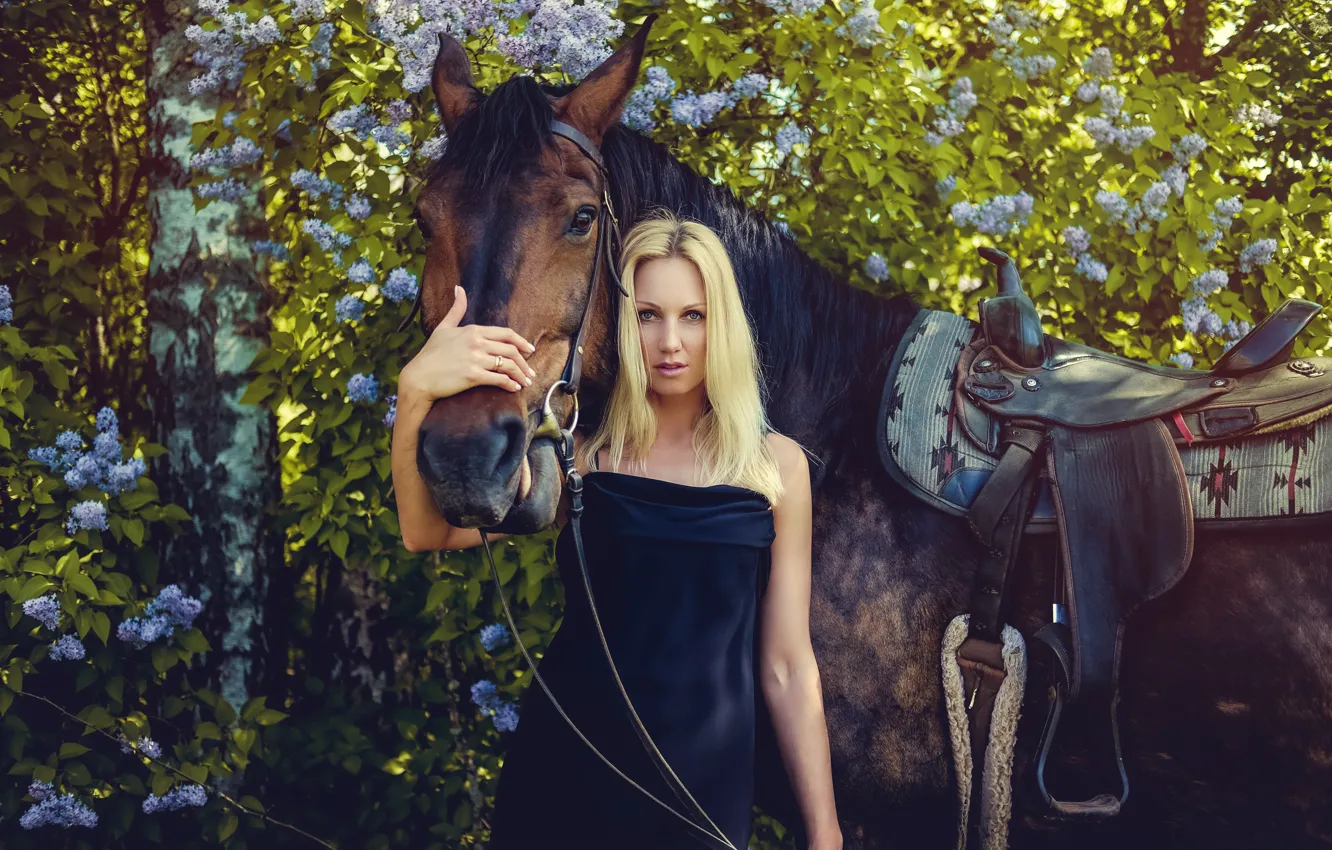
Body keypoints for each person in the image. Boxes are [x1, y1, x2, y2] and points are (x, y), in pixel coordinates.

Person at [391, 209, 842, 849]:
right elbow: (428, 533)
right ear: (621, 324)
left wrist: (825, 833)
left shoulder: (775, 469)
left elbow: (788, 665)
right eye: (647, 314)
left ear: (725, 326)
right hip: (567, 776)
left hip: (703, 788)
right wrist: (414, 393)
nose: (670, 342)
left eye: (694, 315)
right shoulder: (579, 455)